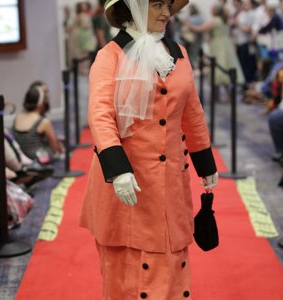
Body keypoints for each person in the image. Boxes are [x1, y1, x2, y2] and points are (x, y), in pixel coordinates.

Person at [80, 0, 218, 299]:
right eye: (157, 4)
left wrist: (206, 165)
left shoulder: (178, 53)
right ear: (135, 7)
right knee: (129, 271)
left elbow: (192, 113)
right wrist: (117, 170)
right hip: (127, 185)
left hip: (170, 182)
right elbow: (100, 114)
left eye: (168, 4)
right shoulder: (110, 56)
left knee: (171, 258)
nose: (167, 12)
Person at [12, 84, 64, 164]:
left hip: (20, 157)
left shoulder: (18, 116)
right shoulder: (43, 121)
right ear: (41, 104)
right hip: (38, 159)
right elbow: (54, 148)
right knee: (58, 144)